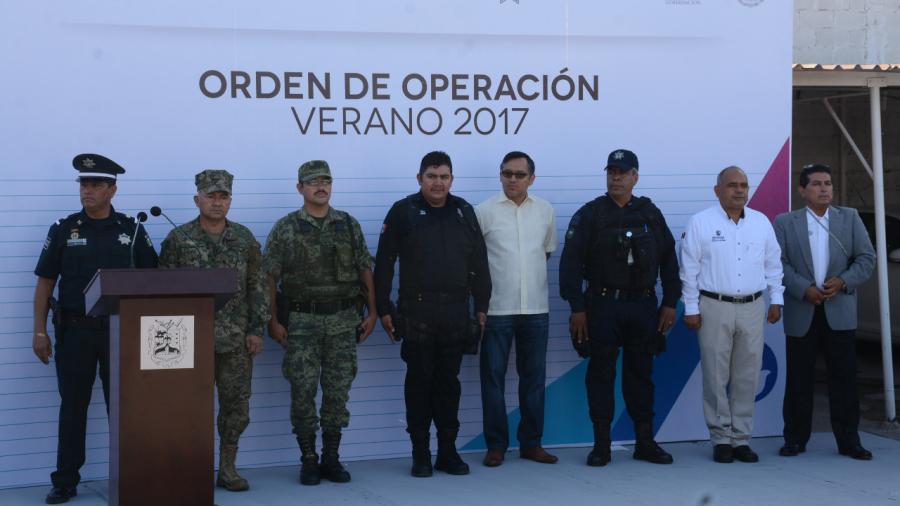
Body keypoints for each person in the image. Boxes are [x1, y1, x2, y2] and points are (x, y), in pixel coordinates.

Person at [32, 154, 158, 504]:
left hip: (121, 334)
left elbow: (153, 280)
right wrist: (39, 331)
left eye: (96, 184)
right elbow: (45, 282)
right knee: (73, 407)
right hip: (74, 333)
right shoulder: (63, 228)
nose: (88, 191)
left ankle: (132, 473)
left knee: (123, 408)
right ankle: (65, 480)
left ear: (113, 190)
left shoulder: (131, 230)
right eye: (84, 184)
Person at [559, 149, 681, 467]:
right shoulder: (591, 214)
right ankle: (601, 445)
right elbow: (570, 264)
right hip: (601, 307)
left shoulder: (649, 213)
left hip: (643, 307)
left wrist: (670, 302)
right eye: (611, 171)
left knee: (641, 375)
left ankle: (645, 442)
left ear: (634, 177)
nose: (616, 177)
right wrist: (577, 308)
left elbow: (669, 260)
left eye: (622, 172)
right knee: (600, 375)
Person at [374, 151, 491, 477]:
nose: (438, 183)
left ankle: (448, 452)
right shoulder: (403, 212)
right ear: (419, 178)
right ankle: (421, 454)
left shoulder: (464, 212)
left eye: (444, 177)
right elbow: (383, 264)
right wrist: (384, 309)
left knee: (448, 386)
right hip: (417, 313)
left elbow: (480, 263)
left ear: (451, 180)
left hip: (456, 312)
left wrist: (482, 306)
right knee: (419, 384)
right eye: (431, 176)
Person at [263, 160, 377, 486]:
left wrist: (371, 312)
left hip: (343, 321)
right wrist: (272, 321)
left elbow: (364, 268)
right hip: (301, 323)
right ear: (300, 188)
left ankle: (331, 457)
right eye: (312, 181)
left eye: (325, 179)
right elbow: (269, 277)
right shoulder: (286, 227)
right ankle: (308, 459)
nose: (320, 186)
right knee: (302, 391)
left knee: (338, 392)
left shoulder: (348, 224)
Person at [158, 169, 269, 491]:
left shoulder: (244, 239)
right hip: (189, 339)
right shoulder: (179, 239)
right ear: (197, 199)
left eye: (223, 197)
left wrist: (256, 329)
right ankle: (190, 467)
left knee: (236, 407)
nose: (217, 203)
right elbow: (163, 291)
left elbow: (257, 287)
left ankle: (228, 468)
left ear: (230, 200)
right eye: (211, 196)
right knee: (188, 407)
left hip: (235, 340)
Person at [679, 166, 784, 464]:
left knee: (748, 376)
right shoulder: (701, 222)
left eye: (744, 185)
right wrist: (691, 307)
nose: (739, 190)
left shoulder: (762, 223)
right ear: (717, 190)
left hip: (753, 305)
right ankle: (720, 439)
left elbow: (773, 265)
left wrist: (776, 299)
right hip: (714, 305)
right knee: (715, 375)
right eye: (732, 185)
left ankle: (741, 439)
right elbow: (689, 270)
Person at [774, 164, 875, 460]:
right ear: (802, 190)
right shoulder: (785, 222)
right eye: (817, 184)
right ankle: (795, 438)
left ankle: (849, 441)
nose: (824, 188)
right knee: (799, 380)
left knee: (844, 379)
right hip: (802, 310)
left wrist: (844, 281)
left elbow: (867, 258)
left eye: (828, 183)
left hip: (839, 309)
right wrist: (803, 288)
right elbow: (777, 263)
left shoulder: (850, 218)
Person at [475, 151, 558, 467]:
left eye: (519, 174)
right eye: (507, 173)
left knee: (534, 380)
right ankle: (496, 445)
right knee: (492, 381)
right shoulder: (483, 212)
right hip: (496, 310)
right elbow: (476, 263)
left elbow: (545, 253)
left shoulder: (546, 211)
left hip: (535, 309)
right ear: (500, 175)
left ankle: (531, 444)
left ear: (531, 179)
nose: (512, 179)